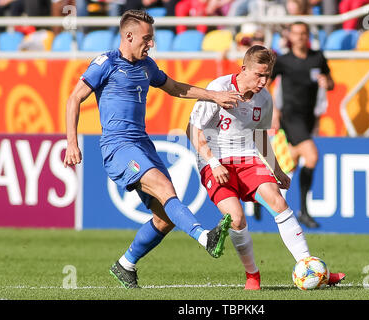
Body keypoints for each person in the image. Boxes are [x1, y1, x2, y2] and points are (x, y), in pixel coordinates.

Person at [63, 9, 242, 289]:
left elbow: (174, 88)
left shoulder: (147, 66)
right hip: (118, 146)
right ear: (129, 36)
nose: (151, 44)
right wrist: (71, 143)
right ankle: (205, 237)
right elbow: (74, 99)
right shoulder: (106, 63)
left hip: (142, 144)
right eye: (147, 38)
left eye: (153, 38)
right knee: (164, 188)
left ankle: (125, 264)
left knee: (164, 218)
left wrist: (214, 95)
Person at [187, 45, 345, 290]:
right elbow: (193, 131)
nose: (263, 81)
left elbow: (260, 136)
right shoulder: (218, 89)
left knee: (279, 202)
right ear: (243, 70)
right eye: (258, 75)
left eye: (267, 75)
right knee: (236, 219)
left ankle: (311, 267)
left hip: (248, 158)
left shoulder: (264, 98)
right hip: (215, 160)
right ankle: (253, 274)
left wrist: (278, 170)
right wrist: (213, 162)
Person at [269, 22, 334, 229]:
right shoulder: (284, 60)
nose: (299, 37)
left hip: (308, 118)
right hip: (290, 115)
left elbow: (331, 81)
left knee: (292, 160)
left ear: (307, 36)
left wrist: (327, 82)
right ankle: (304, 211)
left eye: (302, 33)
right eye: (295, 33)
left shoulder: (317, 57)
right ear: (290, 37)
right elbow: (266, 83)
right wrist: (273, 111)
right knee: (312, 156)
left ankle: (264, 195)